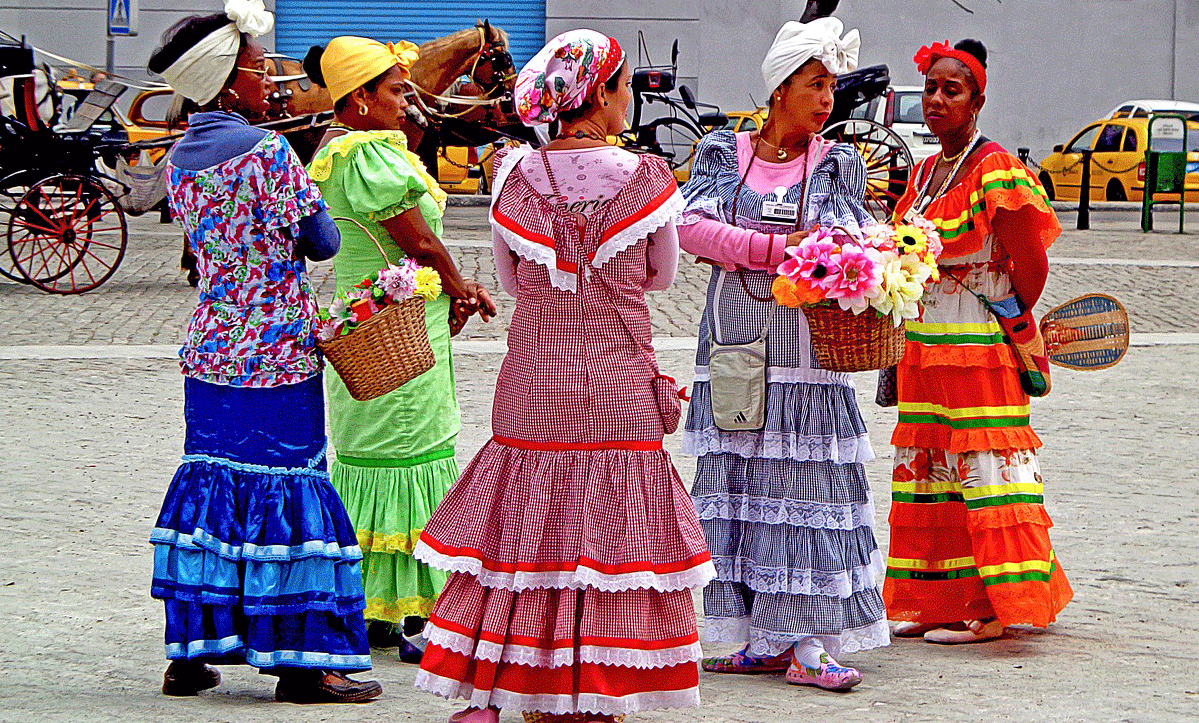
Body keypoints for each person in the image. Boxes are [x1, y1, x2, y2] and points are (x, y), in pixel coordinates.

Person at [412, 29, 713, 723]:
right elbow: (663, 274)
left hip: (534, 383)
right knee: (606, 542)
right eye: (624, 84)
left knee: (526, 534)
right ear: (601, 93)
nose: (629, 96)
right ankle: (591, 698)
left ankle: (511, 689)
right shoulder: (647, 181)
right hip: (616, 387)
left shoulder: (514, 176)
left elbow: (515, 278)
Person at [146, 0, 381, 704]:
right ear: (226, 82)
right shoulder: (269, 151)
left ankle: (191, 656)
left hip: (213, 348)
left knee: (209, 486)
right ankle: (303, 662)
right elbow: (323, 243)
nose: (270, 80)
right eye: (258, 69)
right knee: (288, 487)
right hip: (276, 347)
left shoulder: (176, 160)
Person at [678, 17, 888, 691]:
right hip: (736, 344)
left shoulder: (836, 162)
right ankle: (749, 636)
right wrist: (774, 247)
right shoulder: (720, 152)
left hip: (808, 355)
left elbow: (845, 240)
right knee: (740, 483)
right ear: (778, 89)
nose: (826, 99)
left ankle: (807, 641)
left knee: (801, 486)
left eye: (831, 85)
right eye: (813, 83)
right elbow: (689, 226)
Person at [301, 36, 497, 663]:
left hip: (376, 319)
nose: (406, 100)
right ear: (358, 99)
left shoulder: (344, 151)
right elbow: (417, 241)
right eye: (392, 91)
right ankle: (412, 612)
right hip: (397, 322)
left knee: (370, 457)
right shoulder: (365, 156)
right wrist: (461, 282)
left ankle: (374, 605)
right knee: (410, 453)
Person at [884, 39, 1073, 643]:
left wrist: (1012, 318)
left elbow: (1029, 260)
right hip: (927, 350)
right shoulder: (923, 172)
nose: (936, 100)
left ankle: (997, 606)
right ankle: (941, 600)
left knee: (987, 471)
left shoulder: (994, 170)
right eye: (931, 90)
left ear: (978, 101)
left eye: (952, 91)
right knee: (934, 472)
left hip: (978, 348)